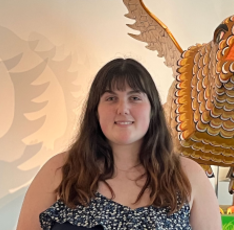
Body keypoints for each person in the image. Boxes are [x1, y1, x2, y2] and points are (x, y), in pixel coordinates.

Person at [16, 58, 222, 230]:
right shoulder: (59, 170)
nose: (123, 108)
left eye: (134, 97)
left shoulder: (189, 175)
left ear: (152, 109)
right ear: (95, 110)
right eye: (111, 98)